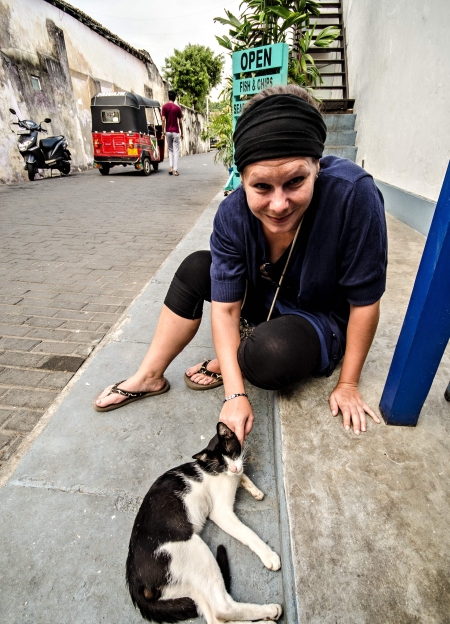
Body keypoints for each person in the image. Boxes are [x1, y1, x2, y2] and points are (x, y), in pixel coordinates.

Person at [94, 85, 387, 443]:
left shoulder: (355, 195)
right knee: (196, 267)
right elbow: (227, 309)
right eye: (261, 186)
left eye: (296, 181)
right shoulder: (231, 214)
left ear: (317, 166)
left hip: (318, 316)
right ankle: (150, 375)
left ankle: (236, 354)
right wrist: (234, 395)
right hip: (264, 300)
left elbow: (365, 302)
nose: (279, 205)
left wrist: (349, 383)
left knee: (267, 355)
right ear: (242, 178)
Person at [161, 90, 184, 176]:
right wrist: (182, 133)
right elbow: (180, 122)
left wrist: (163, 132)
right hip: (176, 132)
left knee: (170, 150)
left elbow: (163, 119)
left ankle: (170, 167)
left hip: (168, 132)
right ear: (174, 98)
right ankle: (175, 170)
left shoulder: (164, 107)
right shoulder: (177, 108)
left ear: (169, 97)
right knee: (176, 151)